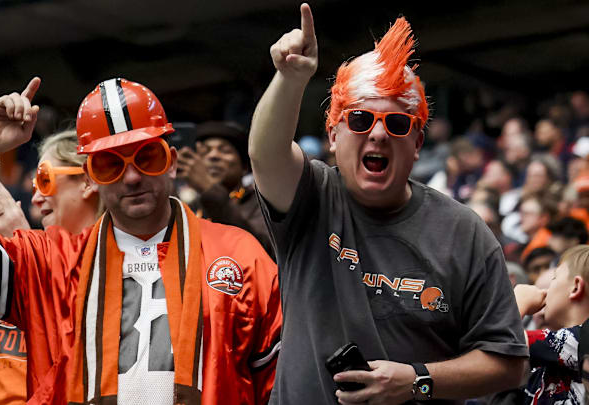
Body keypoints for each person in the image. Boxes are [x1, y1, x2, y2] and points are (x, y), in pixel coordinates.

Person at [0, 77, 281, 404]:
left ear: (171, 161)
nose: (133, 176)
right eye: (110, 164)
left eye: (147, 157)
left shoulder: (238, 253)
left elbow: (279, 383)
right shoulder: (46, 262)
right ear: (91, 176)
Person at [248, 4, 526, 404]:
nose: (378, 134)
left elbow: (508, 363)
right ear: (333, 134)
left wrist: (417, 381)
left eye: (397, 124)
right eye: (360, 120)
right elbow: (265, 152)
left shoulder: (463, 232)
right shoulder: (311, 195)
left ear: (417, 145)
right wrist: (290, 79)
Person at [0, 130, 102, 405]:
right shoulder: (20, 253)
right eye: (34, 186)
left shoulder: (118, 255)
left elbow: (86, 358)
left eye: (45, 181)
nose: (35, 199)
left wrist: (26, 249)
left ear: (87, 181)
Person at [175, 121, 274, 257]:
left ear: (244, 167)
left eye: (225, 150)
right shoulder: (188, 204)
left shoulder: (261, 202)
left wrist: (210, 189)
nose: (213, 156)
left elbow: (263, 250)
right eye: (205, 151)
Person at [514, 245, 589, 403]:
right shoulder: (549, 357)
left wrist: (516, 304)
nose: (544, 292)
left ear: (576, 287)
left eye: (554, 278)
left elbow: (501, 342)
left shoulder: (582, 338)